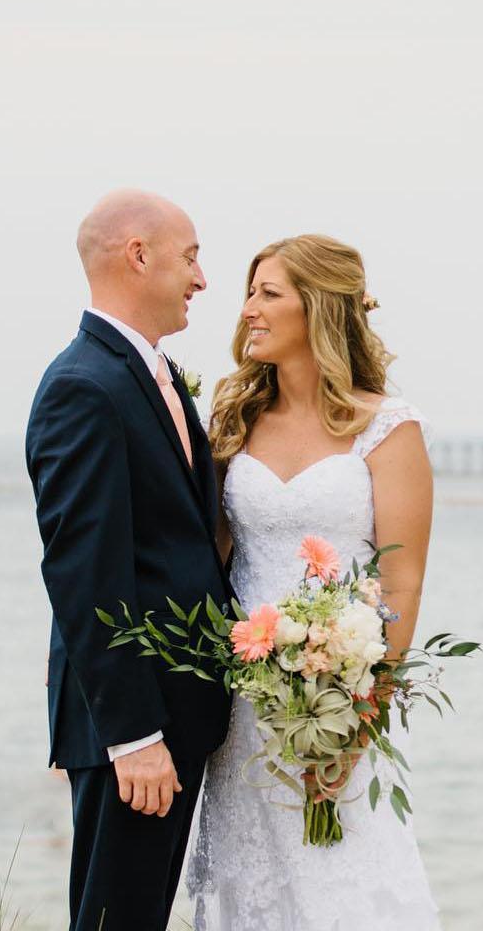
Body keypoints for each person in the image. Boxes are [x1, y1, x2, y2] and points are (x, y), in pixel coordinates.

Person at [188, 234, 441, 929]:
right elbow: (208, 556)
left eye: (268, 294)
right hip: (245, 700)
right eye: (249, 293)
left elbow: (404, 582)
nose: (248, 311)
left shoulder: (387, 428)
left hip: (341, 697)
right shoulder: (234, 420)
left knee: (343, 877)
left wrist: (359, 721)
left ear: (320, 309)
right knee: (254, 882)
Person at [25, 189, 231, 930]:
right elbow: (85, 573)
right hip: (138, 733)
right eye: (192, 256)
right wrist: (136, 736)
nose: (203, 279)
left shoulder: (154, 374)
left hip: (178, 715)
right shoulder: (84, 387)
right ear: (138, 255)